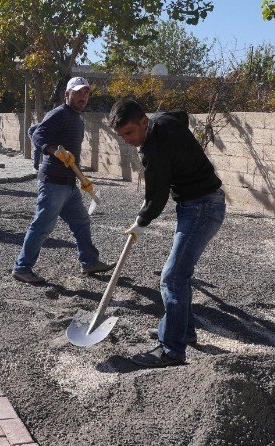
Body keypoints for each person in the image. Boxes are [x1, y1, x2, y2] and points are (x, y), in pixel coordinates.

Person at [109, 98, 226, 368]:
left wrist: (141, 220)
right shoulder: (164, 118)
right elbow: (181, 113)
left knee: (172, 279)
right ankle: (183, 332)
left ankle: (171, 350)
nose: (127, 140)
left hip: (202, 208)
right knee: (180, 275)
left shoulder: (154, 150)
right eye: (121, 135)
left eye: (130, 133)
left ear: (142, 122)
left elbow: (157, 198)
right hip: (198, 203)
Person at [12, 77, 113, 284]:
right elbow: (37, 134)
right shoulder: (59, 114)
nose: (83, 96)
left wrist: (82, 178)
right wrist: (54, 151)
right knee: (42, 226)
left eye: (86, 93)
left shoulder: (76, 118)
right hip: (53, 183)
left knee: (82, 222)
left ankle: (90, 261)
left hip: (69, 184)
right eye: (78, 92)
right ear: (67, 94)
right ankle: (22, 268)